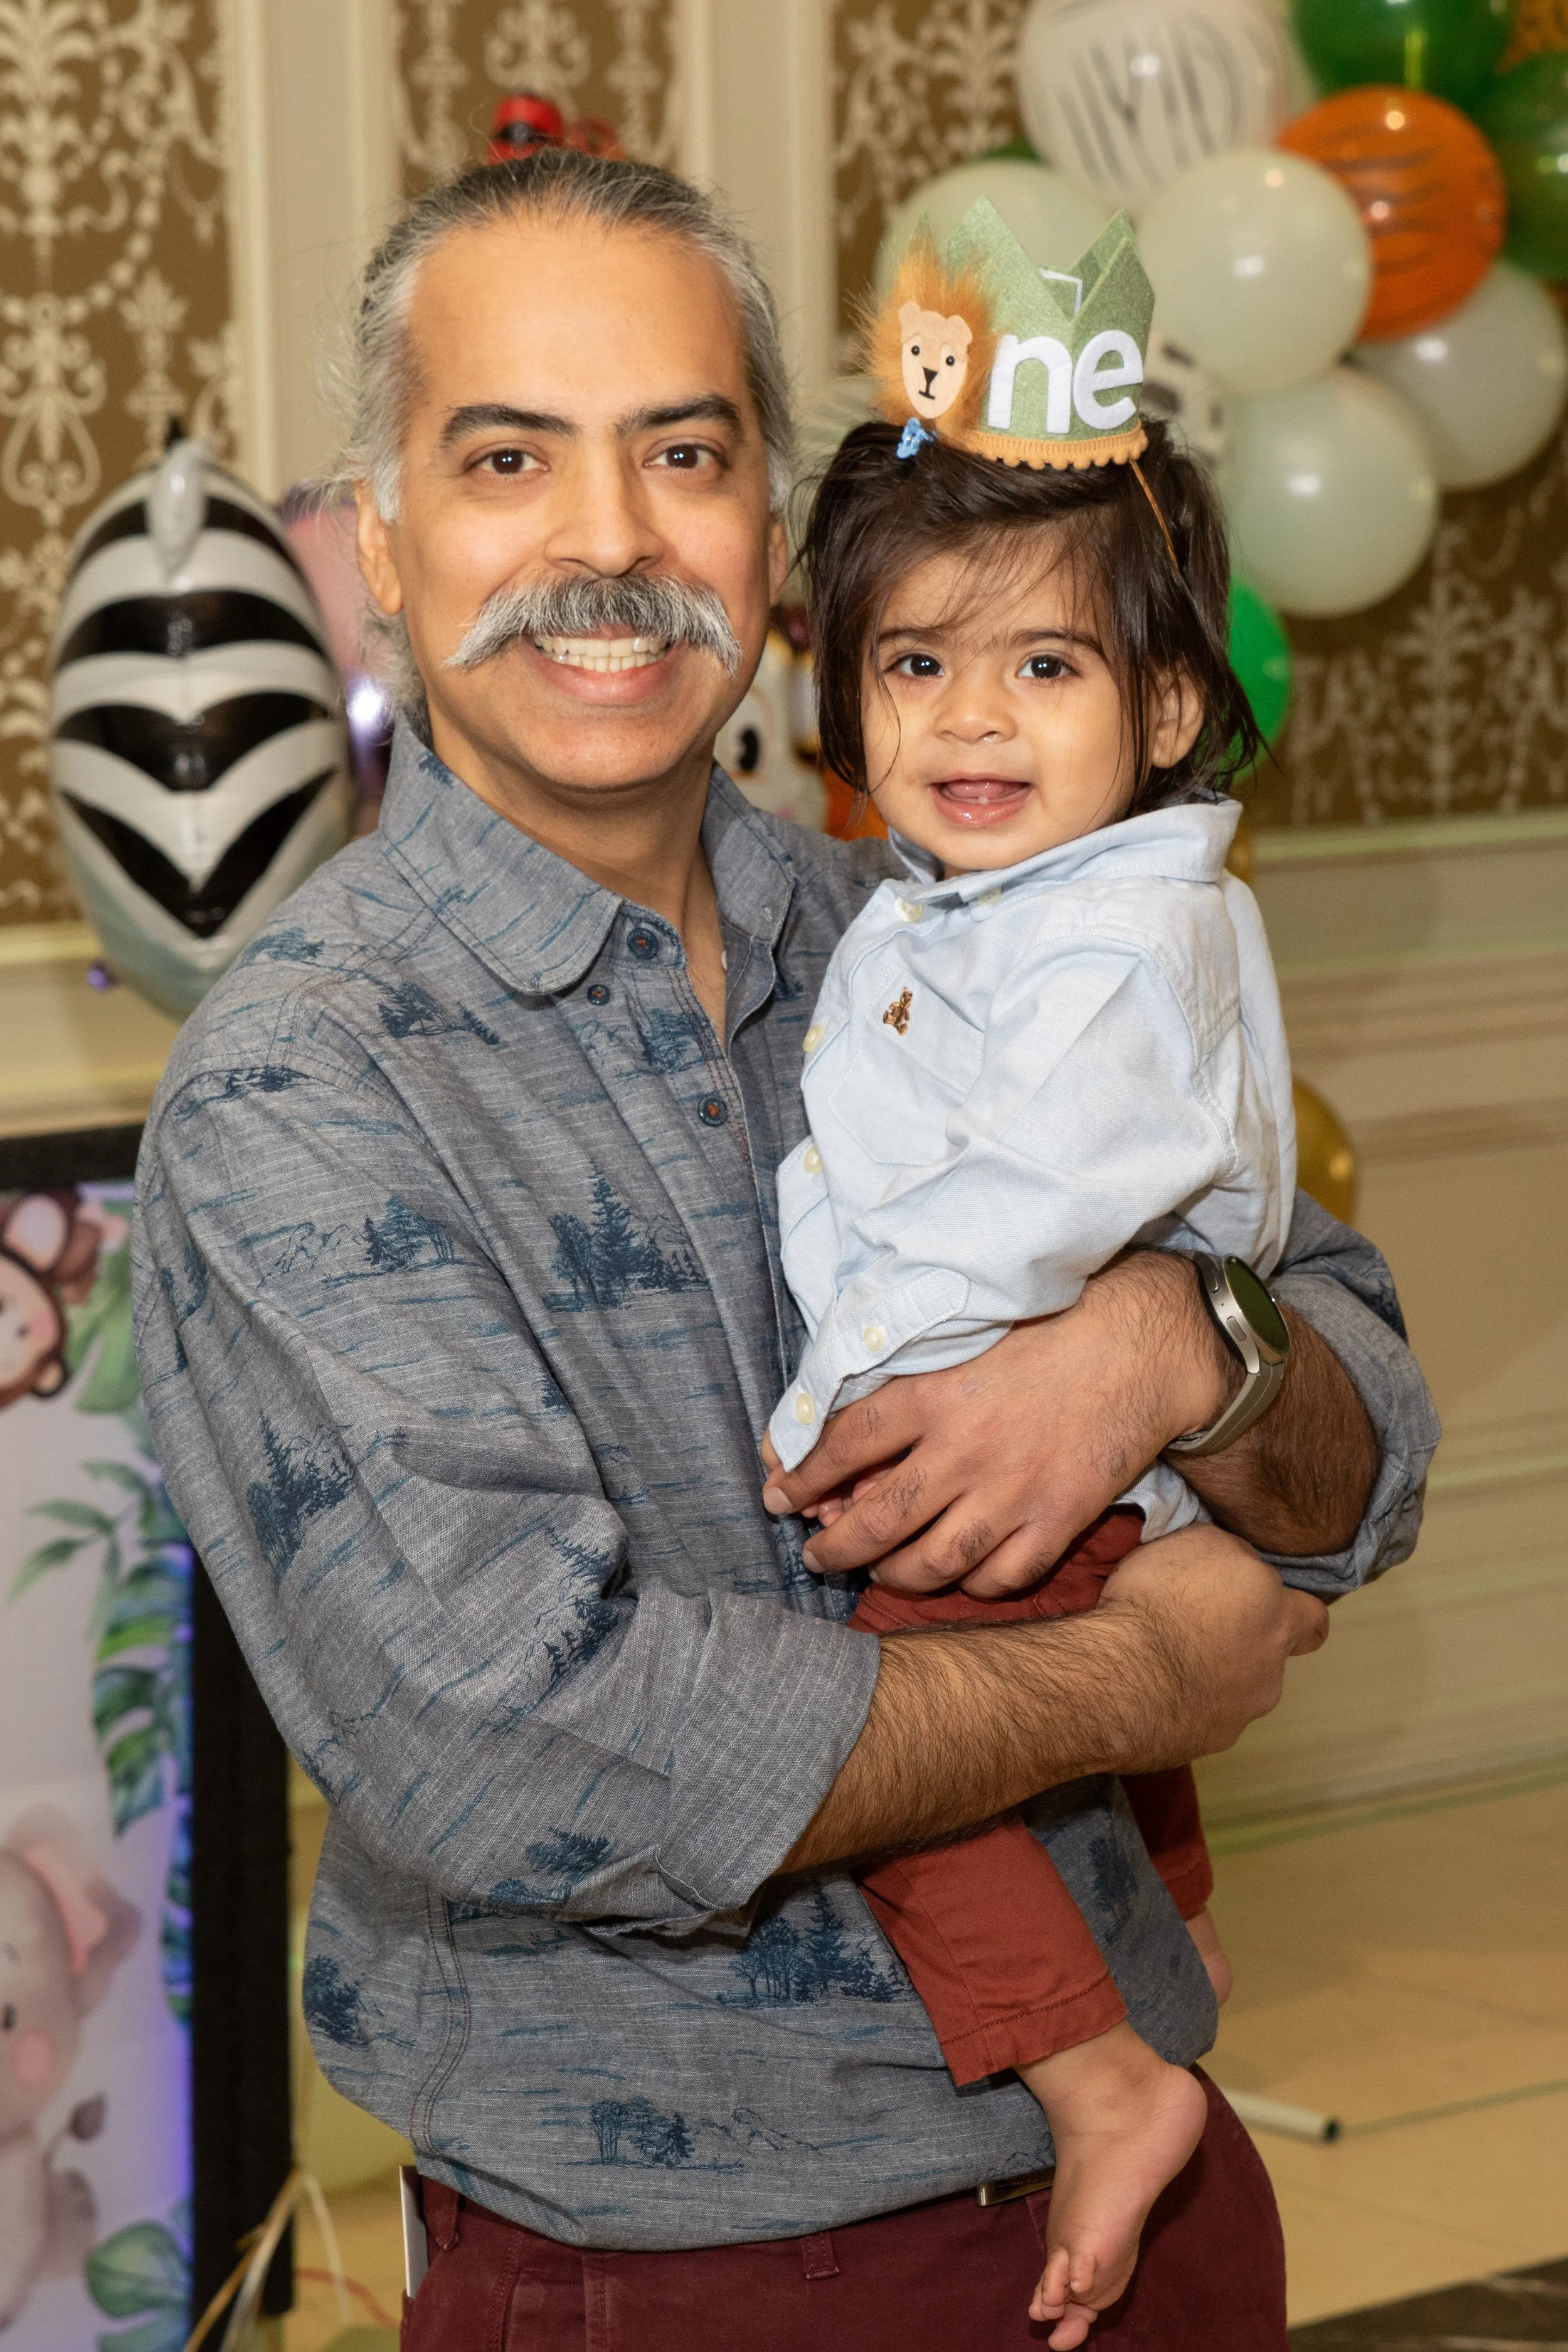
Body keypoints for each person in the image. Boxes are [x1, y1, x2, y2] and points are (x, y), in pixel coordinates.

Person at [130, 150, 1438, 2351]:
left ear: (773, 538)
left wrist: (1164, 1345)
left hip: (1162, 2186)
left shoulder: (953, 915)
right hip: (692, 2272)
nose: (611, 542)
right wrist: (1146, 1670)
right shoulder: (305, 1089)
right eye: (506, 456)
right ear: (377, 543)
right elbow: (523, 1751)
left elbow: (1366, 1429)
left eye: (683, 452)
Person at [761, 203, 1301, 2346]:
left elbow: (1060, 1182)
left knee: (882, 1745)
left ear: (1168, 702)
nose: (969, 715)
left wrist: (847, 1390)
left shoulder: (1126, 926)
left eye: (1044, 665)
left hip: (998, 1413)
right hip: (1039, 1415)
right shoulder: (958, 899)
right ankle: (1158, 1966)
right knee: (1091, 1748)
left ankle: (1095, 2071)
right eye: (915, 666)